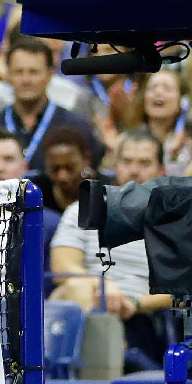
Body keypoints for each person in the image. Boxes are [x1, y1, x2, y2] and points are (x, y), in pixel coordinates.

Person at [49, 132, 172, 361]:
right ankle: (100, 364)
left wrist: (135, 303)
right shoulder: (84, 209)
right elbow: (62, 267)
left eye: (144, 163)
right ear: (116, 166)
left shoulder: (175, 221)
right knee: (76, 288)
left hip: (141, 314)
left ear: (161, 170)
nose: (134, 170)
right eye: (127, 162)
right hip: (86, 300)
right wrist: (103, 286)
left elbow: (185, 288)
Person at [0, 36, 101, 173]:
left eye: (34, 72)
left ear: (50, 74)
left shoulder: (75, 126)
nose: (26, 80)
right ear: (7, 75)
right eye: (18, 72)